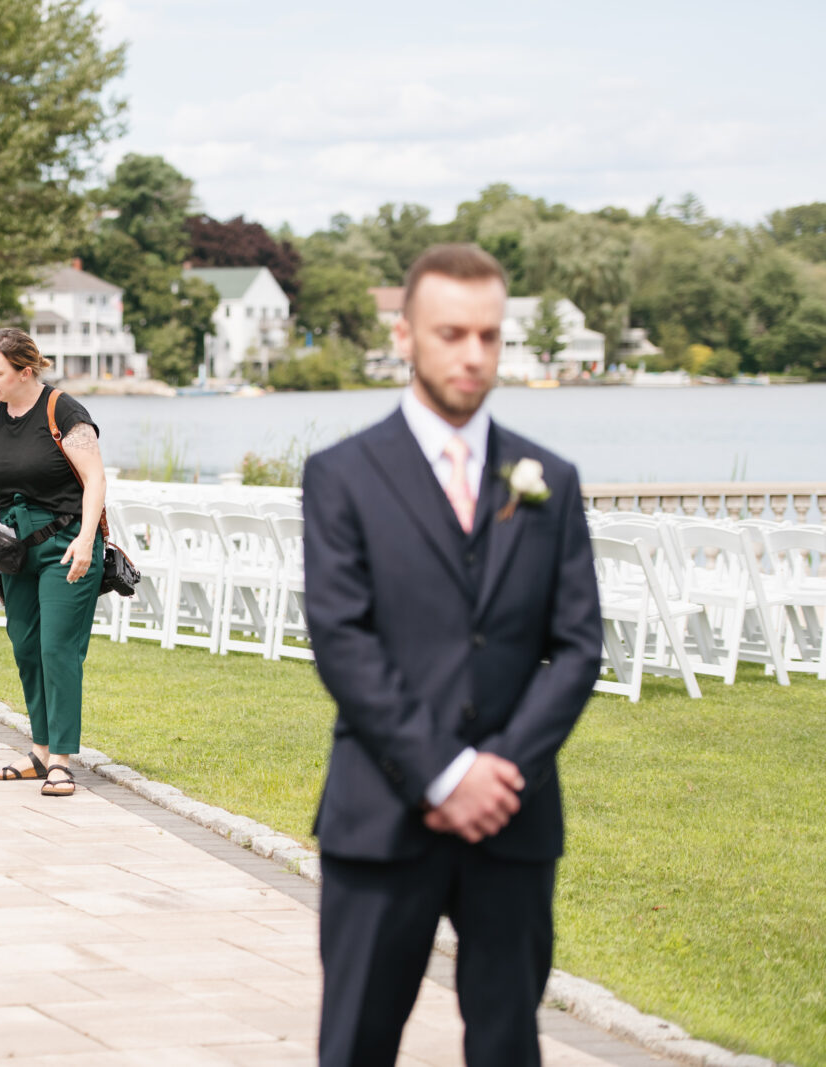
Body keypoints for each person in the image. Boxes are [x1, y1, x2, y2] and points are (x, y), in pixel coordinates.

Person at [301, 245, 603, 1066]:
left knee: (509, 1043)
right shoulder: (342, 475)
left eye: (490, 335)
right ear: (404, 335)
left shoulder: (550, 480)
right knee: (357, 1043)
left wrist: (500, 771)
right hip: (383, 814)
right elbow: (342, 638)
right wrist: (443, 772)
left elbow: (578, 646)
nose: (474, 355)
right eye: (451, 333)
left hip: (514, 815)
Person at [0, 328, 106, 798]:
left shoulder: (62, 411)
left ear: (25, 371)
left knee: (57, 650)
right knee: (25, 647)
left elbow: (95, 479)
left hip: (66, 543)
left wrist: (87, 539)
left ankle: (63, 760)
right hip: (14, 549)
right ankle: (40, 752)